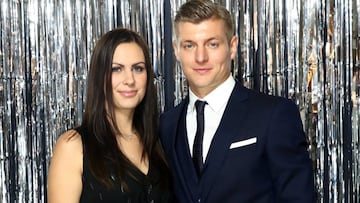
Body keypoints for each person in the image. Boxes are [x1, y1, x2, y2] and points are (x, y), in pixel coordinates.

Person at [159, 0, 316, 202]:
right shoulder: (167, 125)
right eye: (189, 45)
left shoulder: (274, 115)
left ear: (232, 47)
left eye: (212, 44)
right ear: (176, 50)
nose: (200, 57)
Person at [48, 28, 174, 203]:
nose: (129, 80)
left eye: (138, 68)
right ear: (99, 77)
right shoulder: (73, 146)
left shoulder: (160, 142)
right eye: (116, 69)